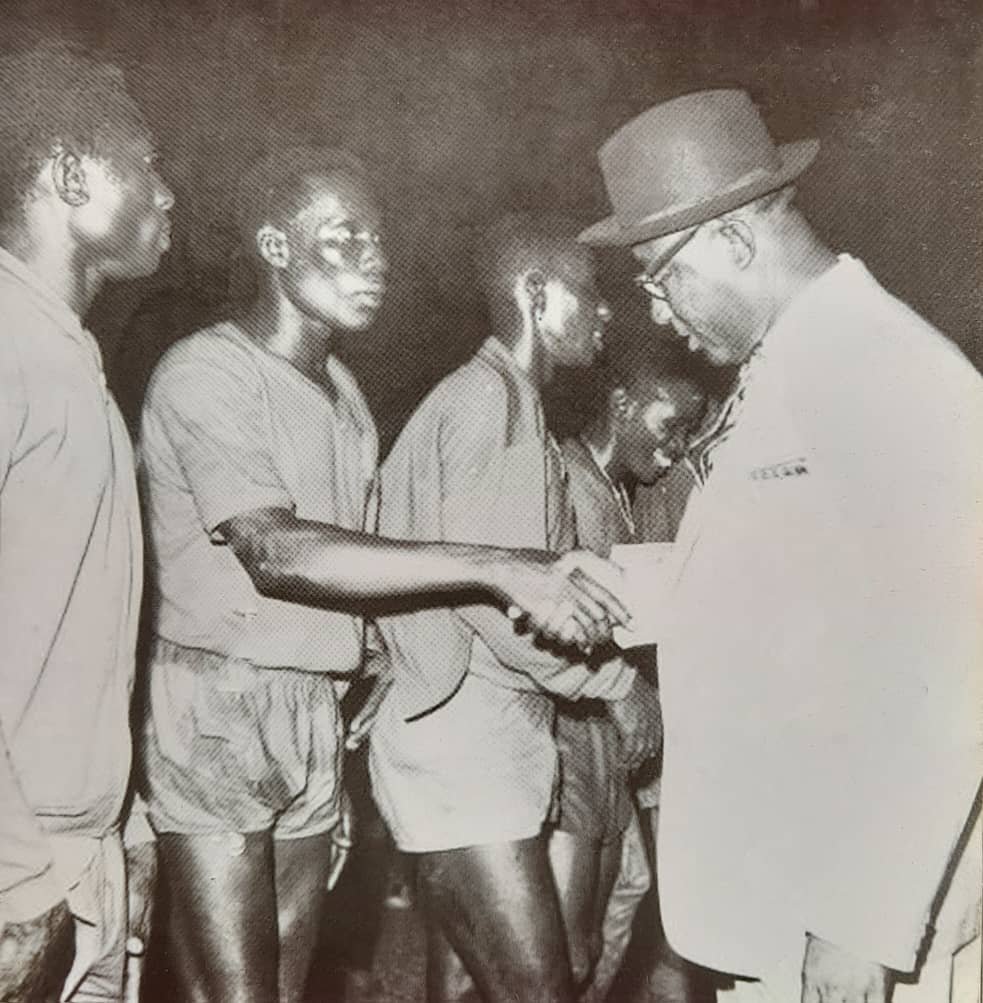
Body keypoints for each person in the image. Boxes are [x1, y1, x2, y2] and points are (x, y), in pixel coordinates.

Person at [138, 158, 629, 1003]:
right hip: (216, 701)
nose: (375, 260)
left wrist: (374, 656)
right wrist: (496, 563)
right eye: (344, 239)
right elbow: (276, 550)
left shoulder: (342, 394)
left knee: (286, 984)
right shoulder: (206, 371)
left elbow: (364, 564)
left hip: (314, 710)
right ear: (273, 245)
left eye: (378, 240)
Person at [579, 88, 983, 1002]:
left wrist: (862, 918)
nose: (653, 309)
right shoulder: (793, 364)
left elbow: (953, 656)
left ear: (731, 239)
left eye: (657, 274)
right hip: (791, 880)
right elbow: (788, 576)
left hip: (856, 906)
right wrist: (604, 576)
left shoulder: (882, 370)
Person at [371, 213, 659, 1003]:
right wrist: (615, 685)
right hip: (465, 741)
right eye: (588, 293)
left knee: (475, 984)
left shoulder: (502, 402)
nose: (602, 312)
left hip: (478, 732)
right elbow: (501, 606)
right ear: (534, 292)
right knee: (540, 988)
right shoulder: (492, 405)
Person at [0, 43, 174, 1003]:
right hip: (21, 879)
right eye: (147, 163)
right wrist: (23, 876)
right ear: (70, 175)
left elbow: (72, 627)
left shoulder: (72, 361)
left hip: (82, 862)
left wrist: (128, 820)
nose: (168, 192)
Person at [551, 356, 705, 1001]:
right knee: (559, 942)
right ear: (620, 401)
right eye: (668, 428)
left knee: (627, 891)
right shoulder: (562, 475)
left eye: (684, 438)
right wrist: (620, 686)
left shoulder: (621, 492)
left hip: (607, 732)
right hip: (570, 724)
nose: (673, 451)